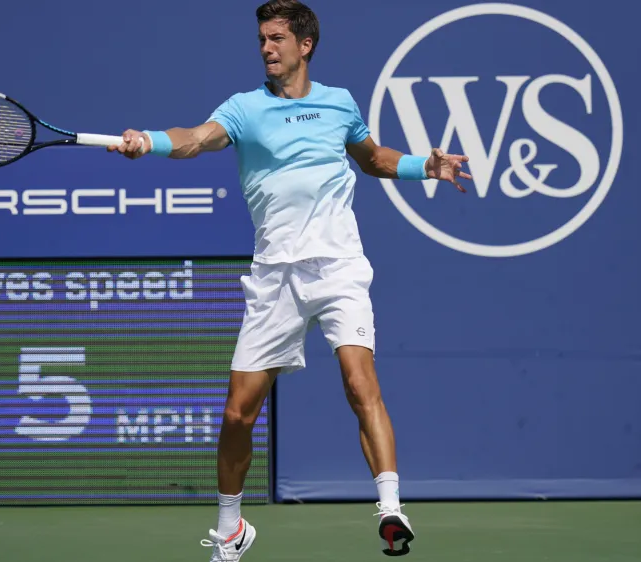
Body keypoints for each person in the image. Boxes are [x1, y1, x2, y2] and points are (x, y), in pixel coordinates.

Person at [109, 0, 470, 559]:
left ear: (305, 45)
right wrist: (150, 141)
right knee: (238, 412)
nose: (266, 48)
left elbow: (371, 157)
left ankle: (391, 508)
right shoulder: (244, 108)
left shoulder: (339, 103)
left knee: (359, 381)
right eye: (261, 39)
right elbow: (195, 138)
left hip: (339, 267)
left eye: (276, 38)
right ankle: (231, 526)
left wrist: (426, 164)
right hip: (275, 275)